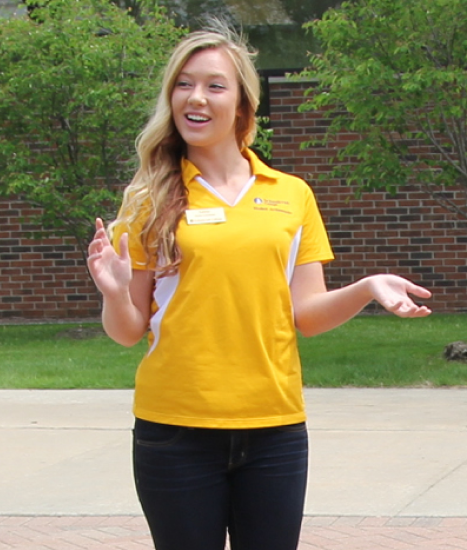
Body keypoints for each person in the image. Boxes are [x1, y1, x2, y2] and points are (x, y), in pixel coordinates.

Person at [87, 20, 432, 550]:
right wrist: (113, 290)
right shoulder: (148, 199)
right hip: (175, 429)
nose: (195, 97)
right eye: (183, 84)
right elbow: (128, 331)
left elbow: (308, 314)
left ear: (243, 104)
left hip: (275, 430)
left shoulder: (291, 195)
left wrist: (367, 287)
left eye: (213, 85)